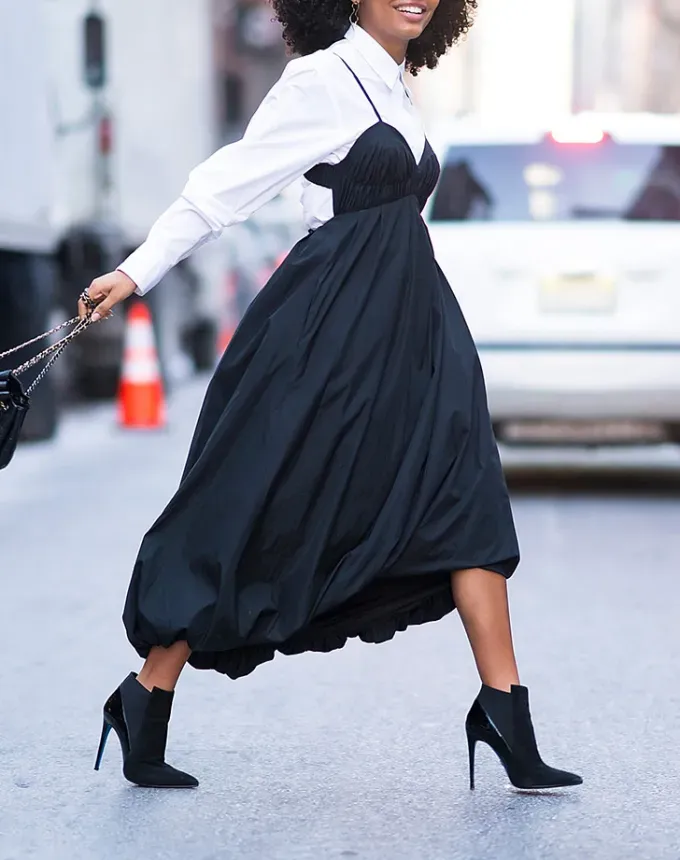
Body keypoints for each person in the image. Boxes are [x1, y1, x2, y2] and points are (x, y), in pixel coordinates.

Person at [82, 0, 582, 792]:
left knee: (468, 492)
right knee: (258, 504)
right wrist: (135, 272)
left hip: (416, 327)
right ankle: (146, 695)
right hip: (328, 329)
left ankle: (505, 711)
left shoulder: (397, 87)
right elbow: (223, 189)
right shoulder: (321, 78)